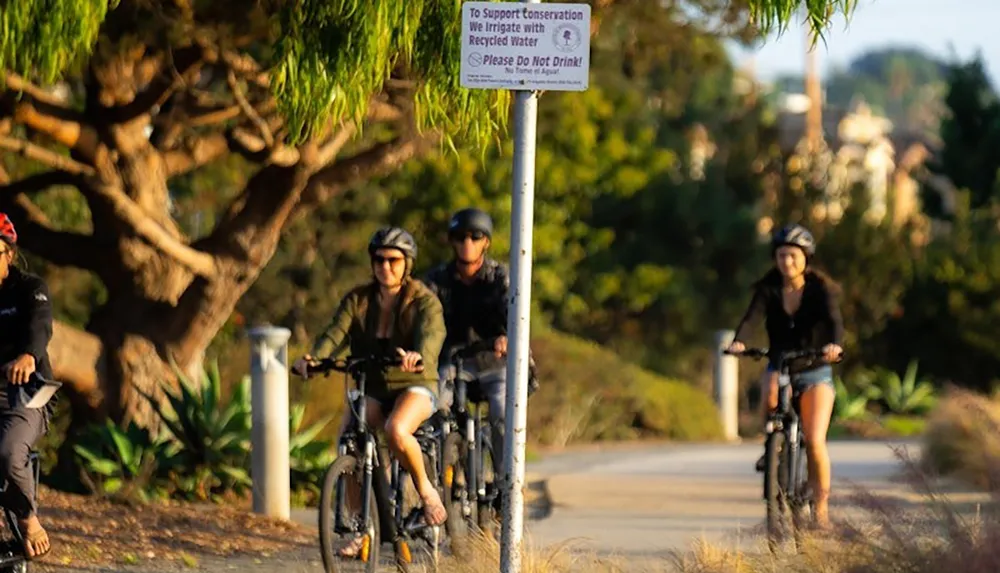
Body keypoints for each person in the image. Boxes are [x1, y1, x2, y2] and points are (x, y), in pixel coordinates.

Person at [292, 227, 447, 556]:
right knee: (349, 440)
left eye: (393, 260)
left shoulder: (424, 301)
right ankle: (361, 526)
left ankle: (425, 491)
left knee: (396, 429)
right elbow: (335, 333)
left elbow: (431, 336)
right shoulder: (358, 299)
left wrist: (419, 355)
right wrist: (314, 358)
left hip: (415, 384)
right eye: (379, 259)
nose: (385, 266)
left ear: (408, 263)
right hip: (372, 384)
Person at [727, 223, 844, 529]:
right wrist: (739, 341)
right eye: (781, 256)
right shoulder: (768, 288)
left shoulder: (820, 290)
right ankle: (773, 447)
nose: (786, 262)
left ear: (806, 257)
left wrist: (834, 346)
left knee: (816, 439)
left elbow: (834, 321)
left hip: (814, 369)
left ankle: (820, 509)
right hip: (780, 365)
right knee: (768, 394)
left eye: (793, 255)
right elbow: (751, 319)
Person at [424, 208, 530, 486]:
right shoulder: (437, 280)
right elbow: (421, 317)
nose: (467, 243)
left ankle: (505, 481)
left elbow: (516, 314)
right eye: (460, 237)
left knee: (501, 412)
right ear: (451, 241)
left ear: (486, 242)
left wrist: (508, 338)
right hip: (452, 363)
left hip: (493, 363)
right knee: (433, 407)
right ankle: (443, 479)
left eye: (475, 236)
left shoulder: (500, 277)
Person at [0, 212, 53, 558]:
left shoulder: (30, 289)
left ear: (7, 253)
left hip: (30, 393)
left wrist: (29, 356)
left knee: (7, 452)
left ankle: (27, 517)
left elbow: (40, 326)